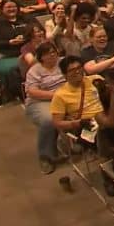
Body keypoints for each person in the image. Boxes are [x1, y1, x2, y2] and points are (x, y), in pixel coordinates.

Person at [24, 42, 66, 174]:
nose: (52, 55)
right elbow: (32, 92)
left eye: (54, 51)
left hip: (67, 96)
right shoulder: (34, 71)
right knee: (49, 120)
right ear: (41, 57)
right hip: (41, 101)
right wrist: (56, 95)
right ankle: (45, 157)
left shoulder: (64, 63)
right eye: (48, 53)